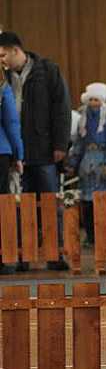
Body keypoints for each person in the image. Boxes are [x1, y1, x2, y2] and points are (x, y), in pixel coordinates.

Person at [0, 31, 71, 270]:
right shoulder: (4, 76)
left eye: (3, 55)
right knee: (23, 205)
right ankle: (24, 255)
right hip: (16, 151)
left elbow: (62, 108)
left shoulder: (47, 70)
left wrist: (61, 144)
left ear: (15, 51)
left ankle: (55, 254)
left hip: (45, 149)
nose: (1, 60)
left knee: (50, 201)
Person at [66, 82, 106, 246]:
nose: (94, 103)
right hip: (86, 165)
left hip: (102, 162)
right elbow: (78, 145)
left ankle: (103, 235)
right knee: (86, 202)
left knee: (102, 201)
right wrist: (73, 164)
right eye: (91, 100)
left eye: (97, 100)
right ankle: (89, 235)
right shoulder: (83, 121)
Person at [0, 68, 23, 275]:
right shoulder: (2, 87)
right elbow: (11, 123)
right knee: (2, 206)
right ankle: (2, 258)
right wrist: (18, 155)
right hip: (1, 151)